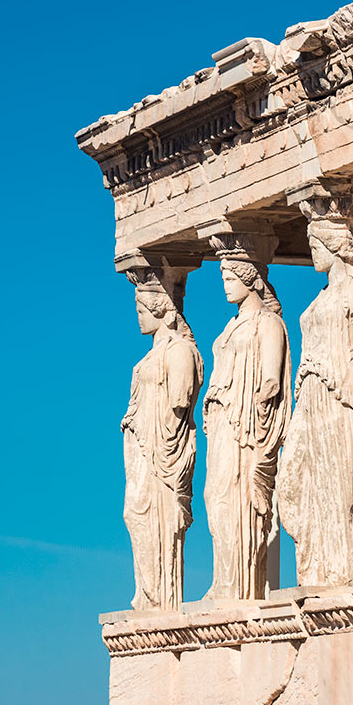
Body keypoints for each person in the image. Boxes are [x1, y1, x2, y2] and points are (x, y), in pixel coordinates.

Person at [277, 218, 353, 586]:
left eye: (317, 242)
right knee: (292, 484)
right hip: (310, 398)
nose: (312, 251)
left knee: (338, 484)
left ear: (336, 244)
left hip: (338, 400)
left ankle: (341, 570)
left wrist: (350, 392)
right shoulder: (324, 295)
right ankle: (317, 566)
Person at [203, 255, 290, 601]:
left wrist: (259, 402)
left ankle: (240, 585)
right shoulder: (230, 327)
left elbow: (272, 377)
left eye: (229, 277)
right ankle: (224, 578)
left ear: (250, 278)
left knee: (237, 498)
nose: (224, 284)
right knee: (216, 497)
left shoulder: (267, 323)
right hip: (223, 422)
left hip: (247, 426)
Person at [121, 270, 203, 610]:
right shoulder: (150, 356)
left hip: (163, 450)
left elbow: (181, 399)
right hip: (142, 449)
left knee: (159, 517)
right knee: (134, 514)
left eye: (143, 310)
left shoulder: (180, 350)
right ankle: (148, 593)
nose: (138, 318)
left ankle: (163, 598)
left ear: (162, 312)